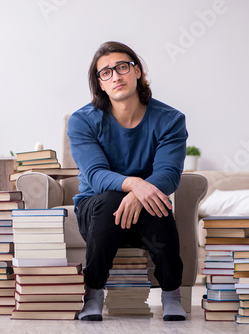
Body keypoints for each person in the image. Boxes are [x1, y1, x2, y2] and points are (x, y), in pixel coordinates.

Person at [67, 41, 188, 321]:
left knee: (155, 202)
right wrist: (135, 185)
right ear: (100, 84)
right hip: (97, 212)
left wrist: (138, 193)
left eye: (122, 67)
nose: (116, 76)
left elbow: (169, 174)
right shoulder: (82, 121)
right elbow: (95, 176)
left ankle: (171, 293)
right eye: (106, 73)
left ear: (137, 72)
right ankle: (93, 291)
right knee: (113, 197)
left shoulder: (170, 120)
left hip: (146, 208)